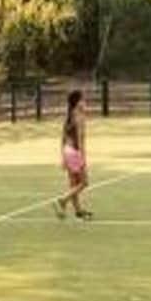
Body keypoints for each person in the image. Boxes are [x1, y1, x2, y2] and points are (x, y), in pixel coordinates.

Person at [53, 89, 93, 220]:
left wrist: (63, 157)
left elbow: (63, 138)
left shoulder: (69, 116)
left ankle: (78, 211)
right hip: (75, 152)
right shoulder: (79, 117)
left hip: (67, 150)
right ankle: (63, 200)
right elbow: (80, 140)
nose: (85, 102)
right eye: (83, 100)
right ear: (77, 102)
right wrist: (83, 158)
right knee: (84, 182)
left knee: (73, 183)